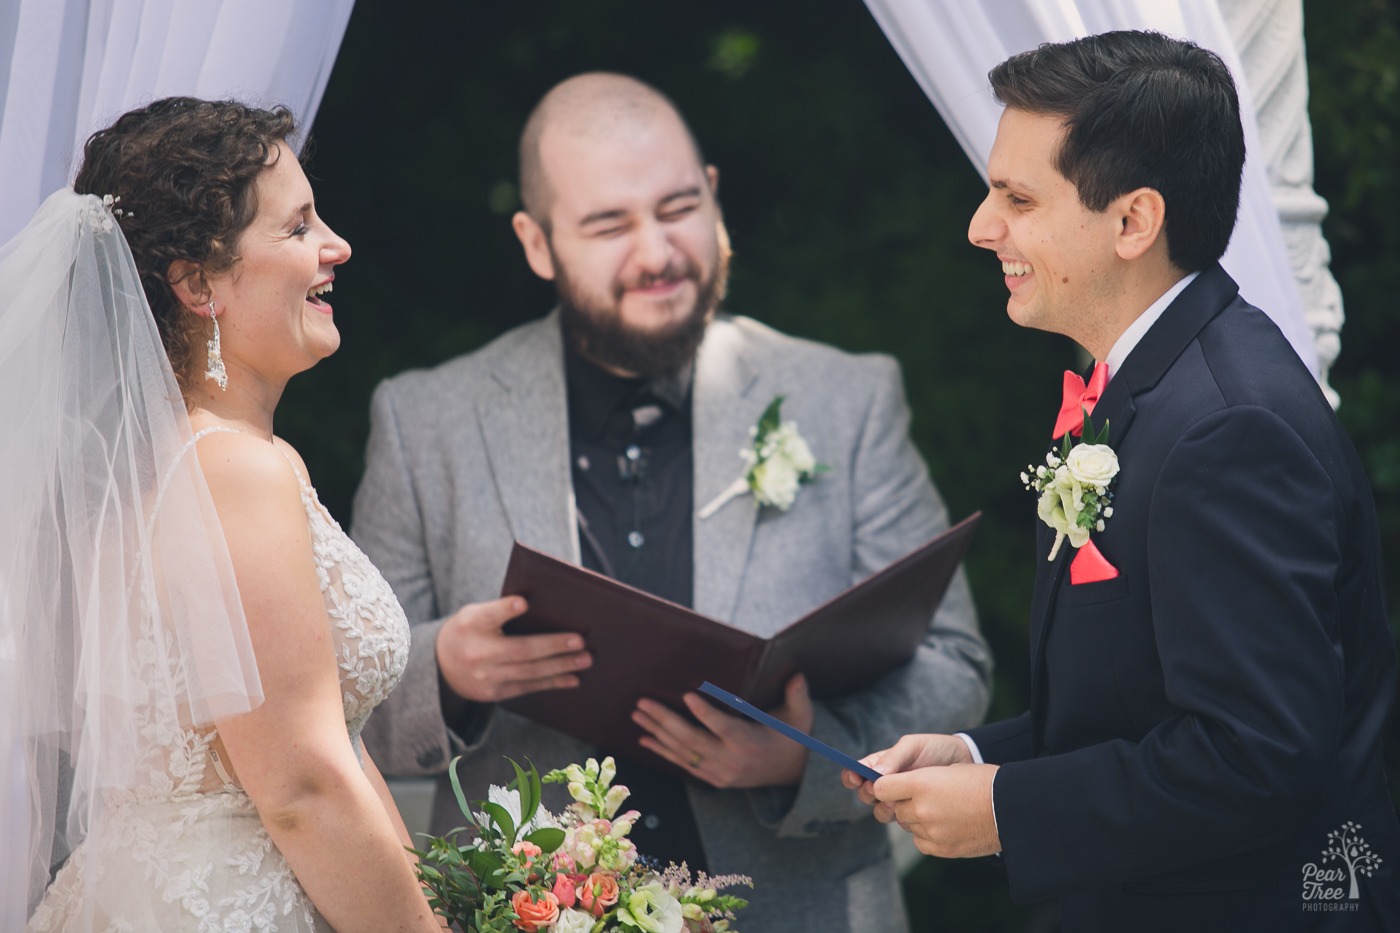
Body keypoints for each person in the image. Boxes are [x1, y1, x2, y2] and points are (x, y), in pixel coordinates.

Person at [351, 72, 991, 931]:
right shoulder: (423, 419)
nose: (656, 252)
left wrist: (802, 756)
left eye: (679, 207)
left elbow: (957, 667)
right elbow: (340, 715)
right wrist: (447, 673)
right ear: (537, 242)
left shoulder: (848, 397)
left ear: (715, 196)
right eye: (609, 224)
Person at [845, 30, 1400, 931]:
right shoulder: (1151, 378)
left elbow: (1259, 755)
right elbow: (1149, 706)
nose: (982, 227)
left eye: (1017, 198)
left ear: (1134, 221)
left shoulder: (1230, 429)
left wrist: (1006, 811)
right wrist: (975, 752)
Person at [1, 98, 440, 932]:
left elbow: (330, 742)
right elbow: (301, 787)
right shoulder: (229, 470)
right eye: (298, 226)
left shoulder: (176, 462)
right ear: (199, 284)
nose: (335, 245)